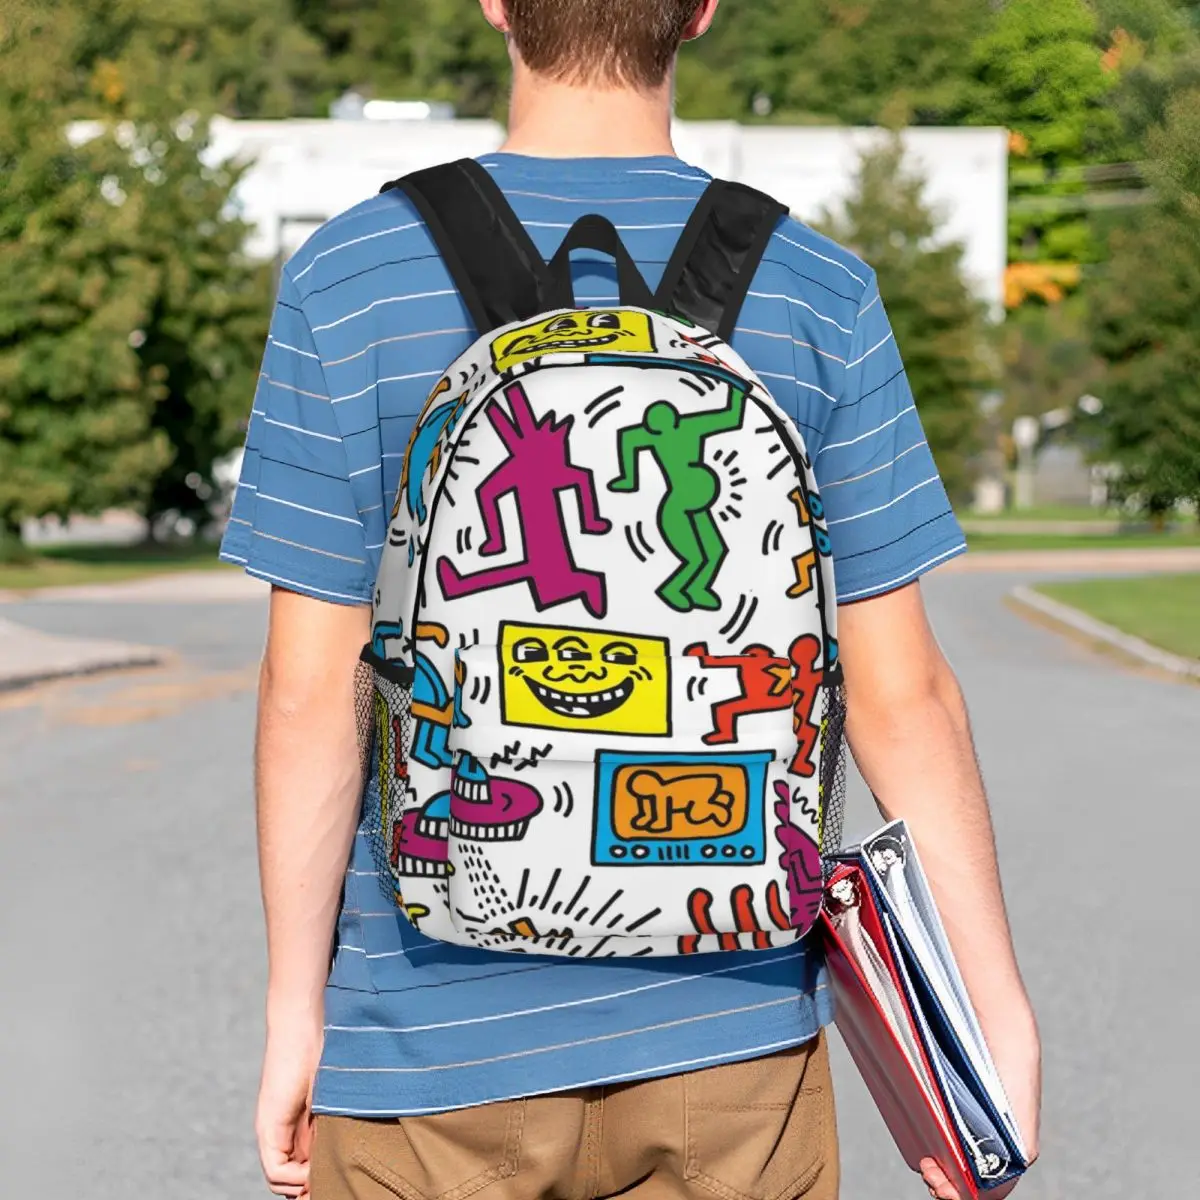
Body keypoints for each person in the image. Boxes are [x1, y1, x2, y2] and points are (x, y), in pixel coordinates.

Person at [221, 3, 1041, 1198]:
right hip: (735, 1036)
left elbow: (309, 690)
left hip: (426, 1043)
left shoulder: (351, 279)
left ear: (497, 3)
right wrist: (987, 1011)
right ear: (701, 9)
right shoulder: (819, 289)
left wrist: (299, 1011)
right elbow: (902, 694)